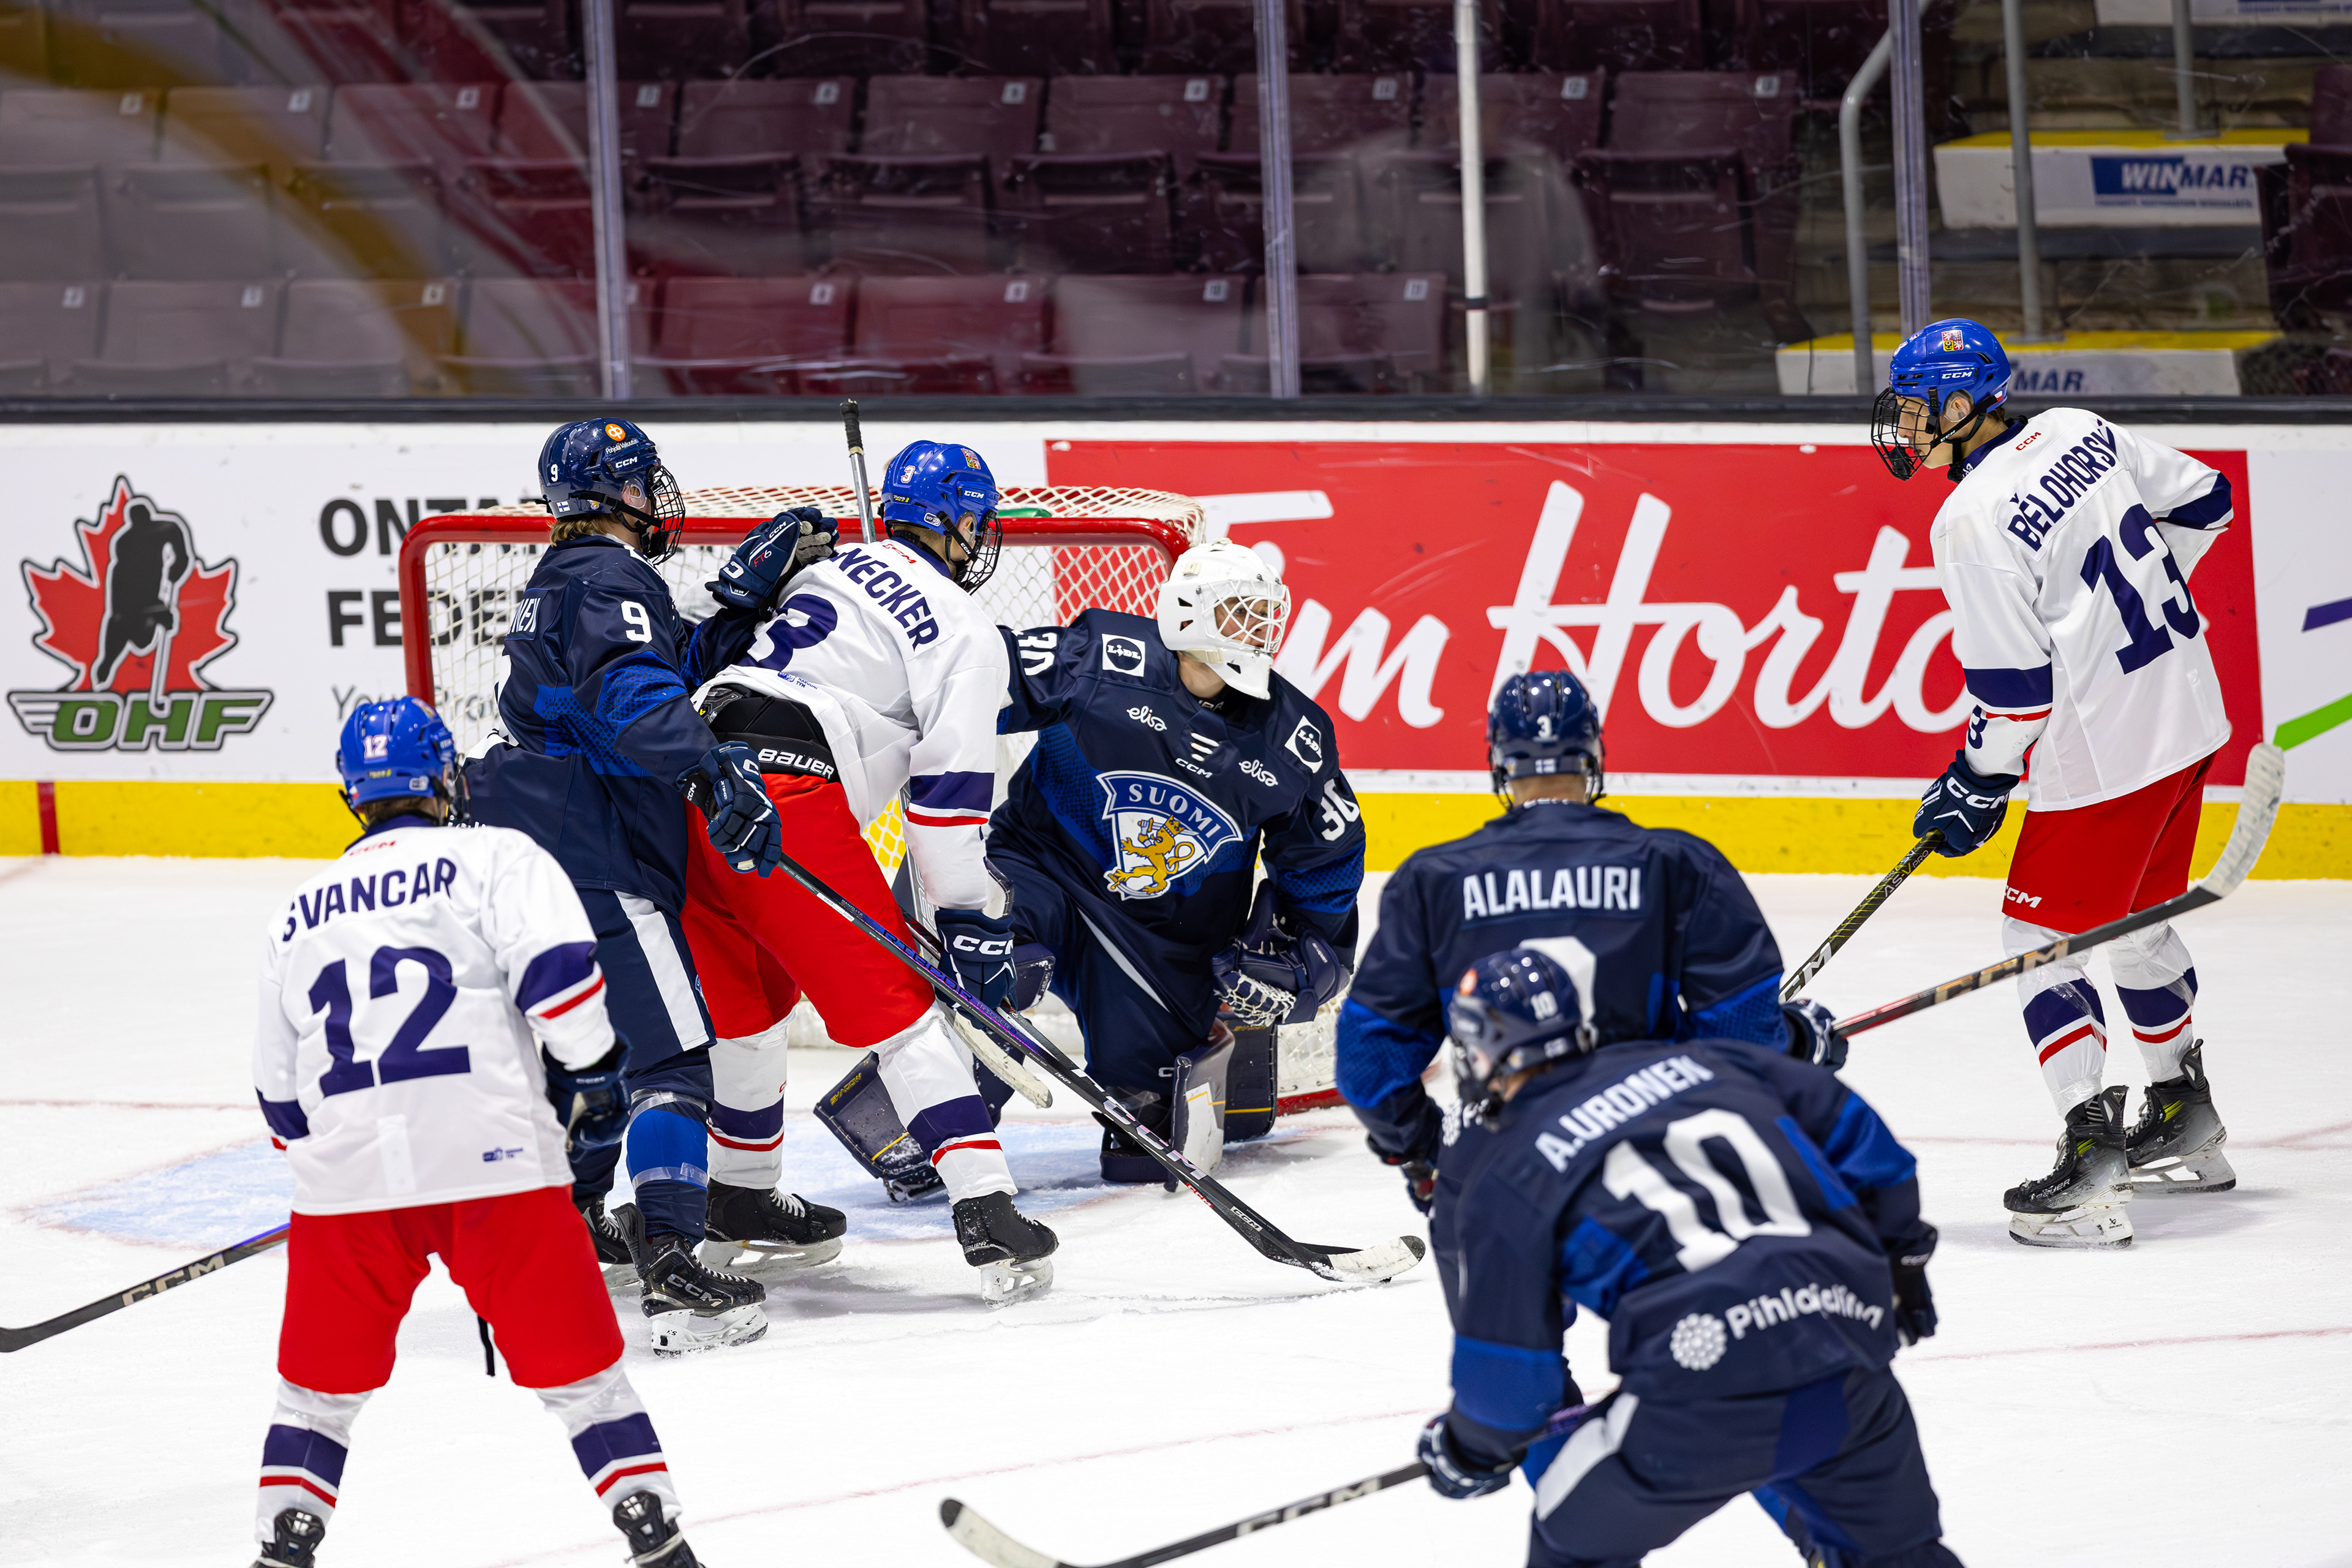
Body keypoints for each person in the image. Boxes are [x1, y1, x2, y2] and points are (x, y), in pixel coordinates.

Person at [249, 699, 706, 1568]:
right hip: (499, 1168)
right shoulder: (496, 857)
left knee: (313, 1401)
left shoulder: (295, 913)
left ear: (352, 795)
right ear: (444, 779)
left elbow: (281, 1105)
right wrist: (595, 1081)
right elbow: (563, 987)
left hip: (350, 1190)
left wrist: (346, 1171)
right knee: (588, 1385)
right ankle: (656, 1537)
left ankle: (281, 1549)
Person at [463, 417, 843, 1351]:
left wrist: (742, 606)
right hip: (593, 852)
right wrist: (712, 769)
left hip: (538, 849)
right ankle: (673, 1261)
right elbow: (636, 700)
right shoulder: (607, 578)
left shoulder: (570, 578)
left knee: (591, 1054)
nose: (654, 496)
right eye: (641, 482)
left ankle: (567, 1225)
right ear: (613, 494)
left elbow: (659, 674)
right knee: (670, 1063)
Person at [1873, 318, 2236, 1249]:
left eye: (1915, 409)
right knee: (2137, 921)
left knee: (2039, 941)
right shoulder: (2081, 429)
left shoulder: (1969, 519)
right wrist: (2125, 629)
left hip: (2109, 754)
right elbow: (2209, 500)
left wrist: (1974, 780)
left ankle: (2092, 1168)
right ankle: (2183, 1113)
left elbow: (2016, 696)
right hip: (2188, 709)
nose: (1904, 427)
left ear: (1963, 405)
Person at [1419, 946, 1958, 1568]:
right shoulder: (1708, 1061)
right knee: (1901, 1556)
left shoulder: (1506, 1177)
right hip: (1846, 1356)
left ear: (1479, 1053)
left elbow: (1510, 1386)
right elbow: (1865, 1143)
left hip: (1696, 1391)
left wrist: (1468, 1449)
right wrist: (1902, 1267)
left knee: (1569, 1542)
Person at [682, 440, 1060, 1302]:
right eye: (977, 522)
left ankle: (738, 1195)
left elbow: (700, 642)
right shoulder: (965, 628)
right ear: (955, 523)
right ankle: (987, 1209)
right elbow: (947, 800)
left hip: (695, 786)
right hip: (784, 802)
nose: (982, 537)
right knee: (904, 1009)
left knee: (746, 1007)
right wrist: (968, 915)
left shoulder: (825, 571)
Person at [1338, 669, 1840, 1216]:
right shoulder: (1678, 863)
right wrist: (1799, 1040)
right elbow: (1741, 1035)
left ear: (1499, 761)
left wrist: (1424, 1153)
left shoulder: (1432, 880)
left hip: (1499, 1173)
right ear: (1594, 753)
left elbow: (1370, 1061)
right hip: (1650, 1164)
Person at [991, 538, 1362, 1182]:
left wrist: (1309, 957)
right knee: (992, 967)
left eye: (1265, 612)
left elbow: (1326, 860)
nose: (1261, 627)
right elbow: (973, 680)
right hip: (1043, 870)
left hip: (1162, 944)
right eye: (1242, 610)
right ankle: (935, 1115)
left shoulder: (1292, 736)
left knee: (1149, 1139)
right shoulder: (1101, 657)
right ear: (1190, 612)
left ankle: (1136, 1085)